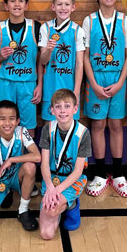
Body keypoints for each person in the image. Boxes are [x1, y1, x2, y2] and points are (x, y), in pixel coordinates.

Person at [83, 0, 127, 198]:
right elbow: (84, 56)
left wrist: (121, 82)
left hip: (117, 79)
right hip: (96, 79)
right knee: (98, 124)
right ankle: (101, 174)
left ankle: (119, 174)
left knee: (115, 125)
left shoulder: (124, 20)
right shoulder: (89, 20)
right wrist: (93, 84)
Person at [0, 100, 41, 231]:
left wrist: (11, 160)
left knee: (30, 167)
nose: (7, 123)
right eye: (2, 119)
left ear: (17, 121)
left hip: (16, 176)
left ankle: (23, 210)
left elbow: (37, 156)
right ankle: (6, 192)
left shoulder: (22, 131)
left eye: (11, 119)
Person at [0, 0, 42, 137]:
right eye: (12, 1)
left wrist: (40, 84)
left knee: (29, 126)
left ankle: (27, 153)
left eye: (21, 0)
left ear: (26, 5)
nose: (17, 4)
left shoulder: (36, 27)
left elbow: (41, 60)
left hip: (28, 83)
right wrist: (1, 56)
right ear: (6, 6)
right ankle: (5, 152)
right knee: (4, 124)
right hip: (5, 83)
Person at [39, 89, 90, 239]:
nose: (62, 111)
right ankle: (60, 207)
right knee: (46, 234)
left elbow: (78, 170)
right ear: (52, 110)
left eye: (67, 106)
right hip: (51, 179)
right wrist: (50, 187)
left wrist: (57, 190)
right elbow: (44, 164)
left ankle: (71, 205)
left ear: (75, 109)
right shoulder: (47, 129)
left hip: (72, 180)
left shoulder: (83, 133)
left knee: (53, 211)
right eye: (58, 106)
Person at [38, 0, 85, 121]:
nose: (63, 8)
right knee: (50, 126)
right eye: (59, 4)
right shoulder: (45, 28)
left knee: (69, 126)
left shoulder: (78, 31)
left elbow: (80, 64)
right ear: (53, 7)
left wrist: (76, 91)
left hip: (70, 88)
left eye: (67, 4)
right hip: (50, 88)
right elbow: (43, 61)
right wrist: (49, 50)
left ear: (73, 7)